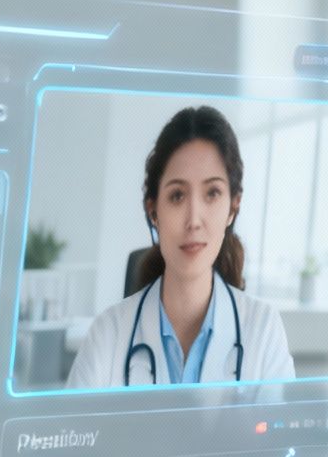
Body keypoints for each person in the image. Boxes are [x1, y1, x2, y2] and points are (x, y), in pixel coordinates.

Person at [66, 105, 295, 388]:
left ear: (233, 208)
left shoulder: (263, 329)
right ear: (153, 211)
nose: (194, 220)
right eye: (177, 196)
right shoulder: (108, 335)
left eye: (212, 193)